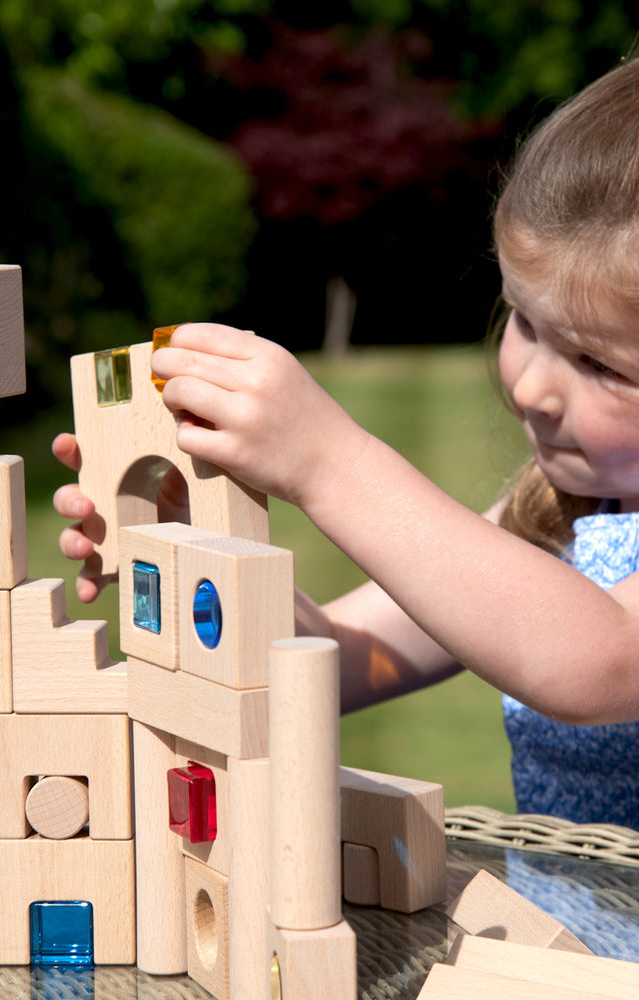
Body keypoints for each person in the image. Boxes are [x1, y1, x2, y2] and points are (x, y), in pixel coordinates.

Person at [53, 58, 639, 829]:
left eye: (597, 362)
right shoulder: (560, 512)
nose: (532, 387)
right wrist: (192, 550)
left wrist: (327, 461)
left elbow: (596, 658)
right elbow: (340, 659)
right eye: (524, 322)